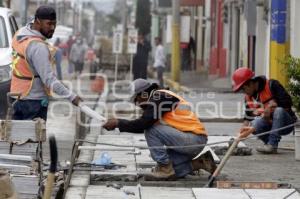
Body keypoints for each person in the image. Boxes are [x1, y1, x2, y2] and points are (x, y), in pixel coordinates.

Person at [103, 79, 216, 180]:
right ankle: (202, 162)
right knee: (172, 171)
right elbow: (142, 124)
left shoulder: (159, 97)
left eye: (137, 100)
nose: (138, 104)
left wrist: (118, 123)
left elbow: (144, 124)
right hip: (192, 142)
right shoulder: (159, 98)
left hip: (193, 140)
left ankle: (164, 168)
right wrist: (119, 124)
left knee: (151, 130)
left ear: (143, 94)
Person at [10, 5, 81, 121]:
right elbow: (49, 79)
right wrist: (72, 97)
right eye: (49, 24)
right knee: (33, 137)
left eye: (54, 24)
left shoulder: (20, 35)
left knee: (17, 136)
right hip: (33, 102)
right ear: (37, 22)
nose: (52, 27)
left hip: (16, 97)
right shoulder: (38, 47)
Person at [233, 67, 298, 154]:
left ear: (251, 83)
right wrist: (237, 139)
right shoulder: (248, 98)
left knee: (278, 111)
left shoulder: (272, 85)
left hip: (286, 124)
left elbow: (288, 103)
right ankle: (269, 144)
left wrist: (272, 106)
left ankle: (272, 145)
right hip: (270, 125)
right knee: (254, 124)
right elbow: (247, 119)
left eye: (244, 89)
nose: (245, 92)